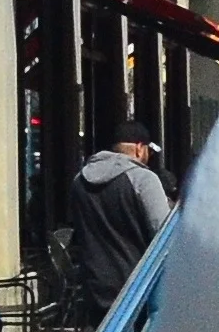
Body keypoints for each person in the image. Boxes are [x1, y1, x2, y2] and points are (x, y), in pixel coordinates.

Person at [69, 120, 172, 320]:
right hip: (138, 289)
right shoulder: (143, 179)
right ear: (140, 149)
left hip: (94, 287)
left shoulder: (78, 181)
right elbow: (163, 232)